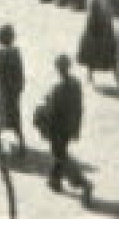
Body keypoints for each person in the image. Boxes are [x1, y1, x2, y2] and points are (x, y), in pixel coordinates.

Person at [34, 55, 93, 205]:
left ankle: (83, 183)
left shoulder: (58, 87)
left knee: (60, 155)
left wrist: (43, 108)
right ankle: (54, 180)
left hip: (57, 127)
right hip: (69, 127)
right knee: (60, 153)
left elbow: (52, 110)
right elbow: (78, 107)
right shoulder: (75, 83)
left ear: (58, 69)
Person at [77, 0, 119, 89]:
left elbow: (114, 9)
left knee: (112, 55)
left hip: (107, 29)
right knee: (92, 55)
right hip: (95, 29)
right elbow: (90, 15)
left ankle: (118, 81)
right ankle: (89, 76)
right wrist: (92, 29)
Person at [0, 25, 27, 157]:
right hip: (14, 92)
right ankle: (22, 143)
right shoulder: (16, 52)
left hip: (3, 92)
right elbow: (20, 73)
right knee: (15, 118)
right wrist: (18, 87)